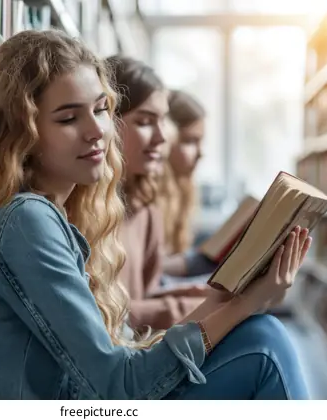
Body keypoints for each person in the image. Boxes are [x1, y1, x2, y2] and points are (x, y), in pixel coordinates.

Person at [0, 29, 312, 400]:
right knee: (264, 343)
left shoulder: (59, 215)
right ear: (25, 132)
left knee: (260, 335)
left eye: (101, 109)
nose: (96, 132)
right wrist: (245, 305)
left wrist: (235, 299)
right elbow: (120, 389)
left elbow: (127, 354)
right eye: (69, 119)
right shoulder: (26, 221)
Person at [107, 56, 216, 330]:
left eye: (163, 123)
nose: (163, 138)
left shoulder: (145, 206)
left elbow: (149, 291)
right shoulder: (87, 207)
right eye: (144, 121)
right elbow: (111, 317)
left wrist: (211, 298)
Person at [158, 90, 218, 280]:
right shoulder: (145, 195)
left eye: (201, 142)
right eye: (190, 141)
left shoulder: (183, 189)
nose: (200, 153)